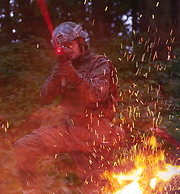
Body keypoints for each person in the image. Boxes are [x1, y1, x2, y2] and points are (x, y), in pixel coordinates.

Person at [14, 22, 125, 193]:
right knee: (24, 146)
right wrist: (56, 77)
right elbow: (45, 97)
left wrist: (75, 78)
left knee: (96, 188)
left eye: (69, 45)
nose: (66, 50)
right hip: (70, 129)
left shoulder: (100, 63)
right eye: (61, 47)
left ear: (81, 42)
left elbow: (98, 95)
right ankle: (30, 191)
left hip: (97, 134)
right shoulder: (63, 67)